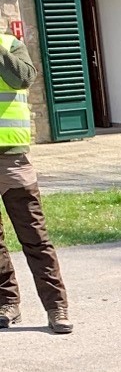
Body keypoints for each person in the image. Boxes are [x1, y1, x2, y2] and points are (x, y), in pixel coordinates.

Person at [0, 25, 71, 333]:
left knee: (35, 239)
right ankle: (9, 304)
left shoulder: (11, 44)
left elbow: (22, 78)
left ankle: (57, 308)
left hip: (13, 159)